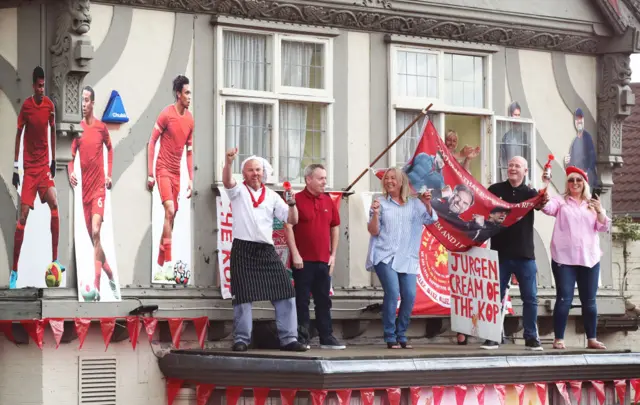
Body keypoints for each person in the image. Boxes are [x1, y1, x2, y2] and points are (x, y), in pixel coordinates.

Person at [223, 147, 307, 352]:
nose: (255, 174)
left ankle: (289, 339)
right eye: (251, 170)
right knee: (243, 295)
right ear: (244, 173)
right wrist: (229, 162)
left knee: (285, 291)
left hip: (266, 249)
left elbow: (291, 220)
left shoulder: (271, 196)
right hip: (243, 248)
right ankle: (242, 339)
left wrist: (292, 203)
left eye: (258, 170)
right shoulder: (238, 191)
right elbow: (227, 181)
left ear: (264, 172)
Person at [366, 168, 438, 349]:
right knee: (393, 292)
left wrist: (427, 203)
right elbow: (373, 231)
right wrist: (375, 214)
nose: (389, 181)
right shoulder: (380, 202)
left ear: (401, 182)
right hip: (385, 255)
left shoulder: (414, 204)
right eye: (386, 178)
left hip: (407, 256)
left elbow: (431, 220)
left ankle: (401, 333)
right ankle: (390, 336)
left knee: (410, 296)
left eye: (393, 178)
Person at [482, 156, 547, 351]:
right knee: (494, 296)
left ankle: (531, 337)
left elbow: (540, 205)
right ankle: (493, 336)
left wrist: (544, 199)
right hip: (500, 252)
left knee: (530, 298)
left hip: (524, 253)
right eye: (510, 165)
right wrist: (501, 216)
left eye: (517, 166)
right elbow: (488, 215)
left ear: (525, 171)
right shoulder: (495, 190)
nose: (512, 168)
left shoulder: (530, 193)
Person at [541, 166, 610, 350]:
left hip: (589, 258)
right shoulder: (560, 201)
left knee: (590, 300)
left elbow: (603, 227)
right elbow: (546, 208)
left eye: (579, 180)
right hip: (565, 258)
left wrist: (600, 211)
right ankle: (559, 338)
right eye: (571, 180)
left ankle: (592, 339)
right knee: (564, 298)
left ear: (584, 183)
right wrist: (545, 186)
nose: (575, 183)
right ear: (567, 183)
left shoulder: (592, 203)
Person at [10, 66, 65, 289]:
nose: (42, 89)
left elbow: (52, 130)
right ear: (33, 86)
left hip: (43, 168)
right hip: (29, 170)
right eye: (39, 86)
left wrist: (52, 159)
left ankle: (55, 260)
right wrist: (16, 167)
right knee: (22, 218)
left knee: (54, 203)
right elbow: (18, 134)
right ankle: (14, 271)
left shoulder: (50, 107)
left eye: (44, 86)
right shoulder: (27, 107)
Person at [284, 164, 344, 349]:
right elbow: (288, 226)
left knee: (324, 299)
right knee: (302, 299)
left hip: (323, 260)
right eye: (320, 178)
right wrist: (295, 254)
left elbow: (335, 227)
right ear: (308, 179)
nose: (324, 182)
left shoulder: (328, 201)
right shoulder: (297, 200)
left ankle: (327, 337)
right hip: (303, 260)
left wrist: (333, 255)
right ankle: (302, 336)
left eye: (325, 178)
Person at [68, 86, 119, 300]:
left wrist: (108, 174)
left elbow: (110, 148)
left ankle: (96, 287)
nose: (83, 104)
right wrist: (71, 172)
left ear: (93, 103)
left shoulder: (101, 127)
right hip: (84, 193)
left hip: (99, 189)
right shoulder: (77, 130)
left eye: (86, 100)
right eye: (81, 100)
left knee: (97, 231)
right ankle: (110, 276)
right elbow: (70, 156)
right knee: (94, 242)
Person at [147, 75, 194, 275]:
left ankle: (160, 259)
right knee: (170, 209)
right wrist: (150, 173)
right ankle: (168, 261)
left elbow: (189, 151)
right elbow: (152, 142)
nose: (189, 96)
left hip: (177, 173)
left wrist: (190, 179)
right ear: (178, 94)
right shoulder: (166, 114)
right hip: (162, 169)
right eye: (187, 93)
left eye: (190, 92)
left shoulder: (190, 119)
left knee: (172, 216)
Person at [565, 108, 598, 189]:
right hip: (578, 184)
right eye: (577, 119)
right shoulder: (575, 142)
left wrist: (586, 174)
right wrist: (567, 162)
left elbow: (592, 160)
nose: (579, 121)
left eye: (581, 119)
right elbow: (572, 165)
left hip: (587, 183)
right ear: (574, 122)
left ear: (583, 120)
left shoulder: (587, 138)